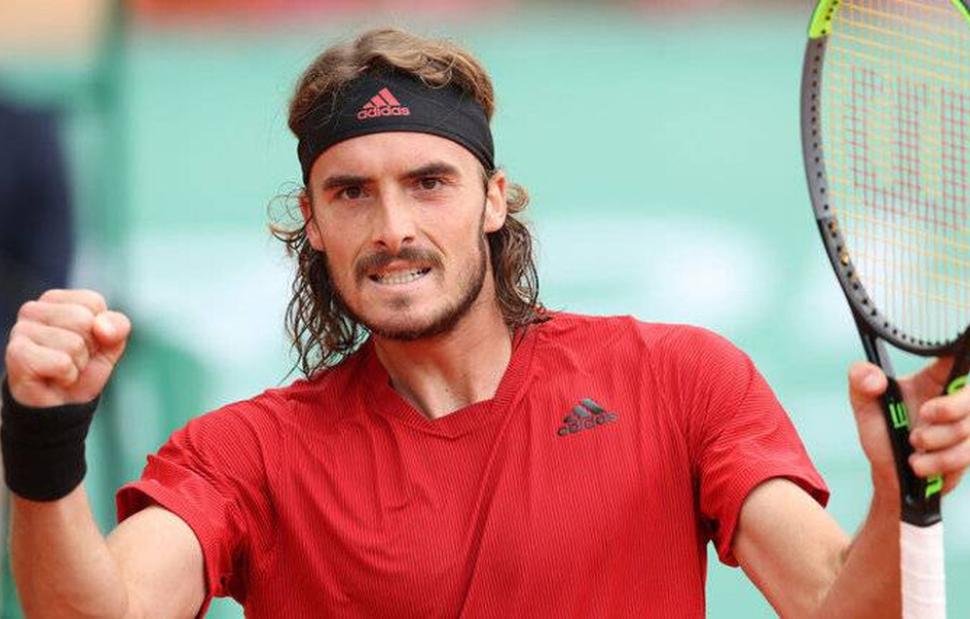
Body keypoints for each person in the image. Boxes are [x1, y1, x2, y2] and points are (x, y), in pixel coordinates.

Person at [3, 28, 969, 618]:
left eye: (429, 182)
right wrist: (43, 441)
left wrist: (899, 496)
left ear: (494, 199)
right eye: (351, 192)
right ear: (312, 220)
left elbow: (835, 604)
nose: (393, 228)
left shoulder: (678, 378)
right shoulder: (243, 454)